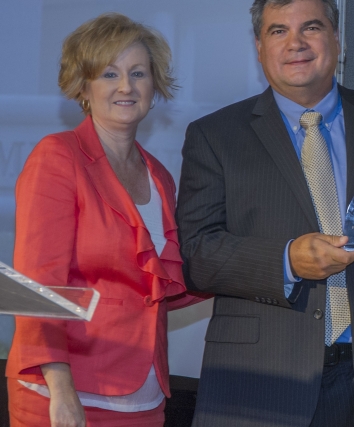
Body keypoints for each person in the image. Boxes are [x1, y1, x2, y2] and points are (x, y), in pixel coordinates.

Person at [175, 0, 354, 425]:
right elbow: (198, 257)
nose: (295, 43)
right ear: (259, 46)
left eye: (311, 28)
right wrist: (287, 260)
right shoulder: (215, 136)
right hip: (265, 379)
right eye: (278, 31)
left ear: (337, 38)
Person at [6, 13, 206, 427]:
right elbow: (37, 288)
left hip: (146, 398)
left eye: (138, 73)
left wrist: (247, 270)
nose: (126, 87)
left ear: (155, 85)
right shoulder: (58, 157)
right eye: (109, 73)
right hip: (65, 396)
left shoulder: (160, 176)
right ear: (83, 86)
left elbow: (162, 289)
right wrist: (62, 391)